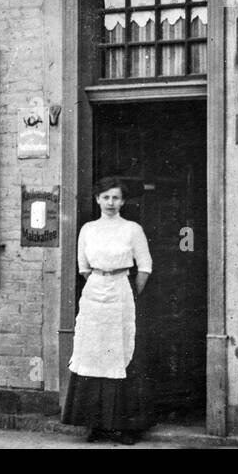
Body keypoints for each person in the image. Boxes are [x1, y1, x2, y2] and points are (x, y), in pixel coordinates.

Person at [62, 176, 154, 444]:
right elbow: (83, 266)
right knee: (93, 352)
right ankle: (96, 424)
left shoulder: (132, 229)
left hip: (122, 292)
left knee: (121, 352)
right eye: (106, 197)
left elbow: (145, 266)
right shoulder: (88, 229)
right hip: (94, 293)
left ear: (123, 201)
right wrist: (98, 283)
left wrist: (130, 291)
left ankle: (125, 427)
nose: (111, 202)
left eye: (116, 197)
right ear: (97, 200)